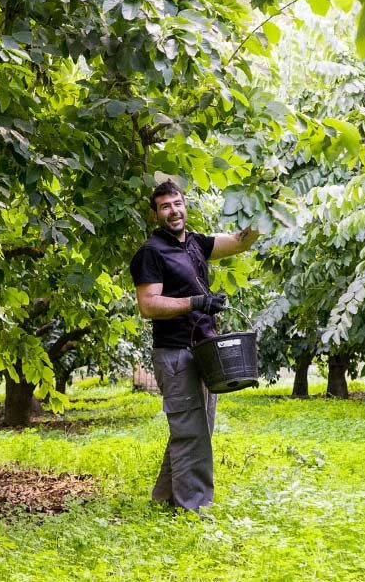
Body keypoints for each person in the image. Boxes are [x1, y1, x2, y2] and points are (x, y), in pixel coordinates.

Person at [128, 179, 259, 512]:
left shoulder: (196, 243)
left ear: (185, 205)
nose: (173, 211)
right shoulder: (151, 253)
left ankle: (164, 498)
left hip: (205, 349)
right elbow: (149, 305)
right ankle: (194, 508)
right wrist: (196, 302)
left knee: (199, 428)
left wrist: (264, 212)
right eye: (165, 206)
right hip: (175, 353)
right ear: (154, 213)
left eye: (177, 203)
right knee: (191, 431)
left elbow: (239, 243)